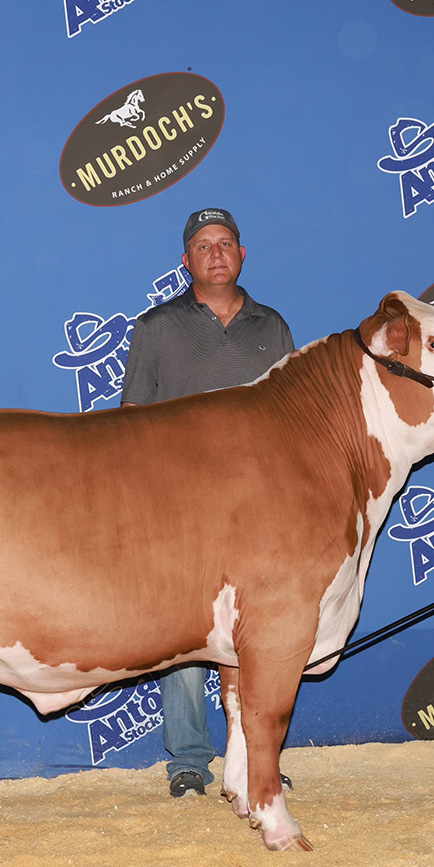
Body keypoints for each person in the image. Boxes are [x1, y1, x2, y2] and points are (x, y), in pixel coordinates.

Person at [120, 207, 295, 798]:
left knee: (260, 630)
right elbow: (131, 424)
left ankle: (254, 756)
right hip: (180, 505)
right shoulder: (157, 327)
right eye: (203, 244)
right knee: (187, 630)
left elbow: (295, 419)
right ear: (187, 261)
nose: (216, 252)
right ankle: (189, 758)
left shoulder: (272, 326)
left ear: (242, 255)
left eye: (226, 243)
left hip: (258, 507)